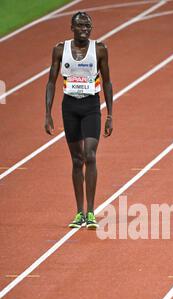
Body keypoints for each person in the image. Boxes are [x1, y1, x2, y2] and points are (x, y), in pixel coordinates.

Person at [45, 11, 113, 229]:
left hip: (91, 106)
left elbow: (108, 82)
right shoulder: (59, 50)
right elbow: (51, 82)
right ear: (72, 27)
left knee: (90, 155)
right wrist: (47, 113)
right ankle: (79, 213)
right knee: (77, 161)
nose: (85, 29)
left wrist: (110, 114)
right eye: (81, 25)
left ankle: (91, 212)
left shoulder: (100, 49)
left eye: (88, 26)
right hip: (70, 107)